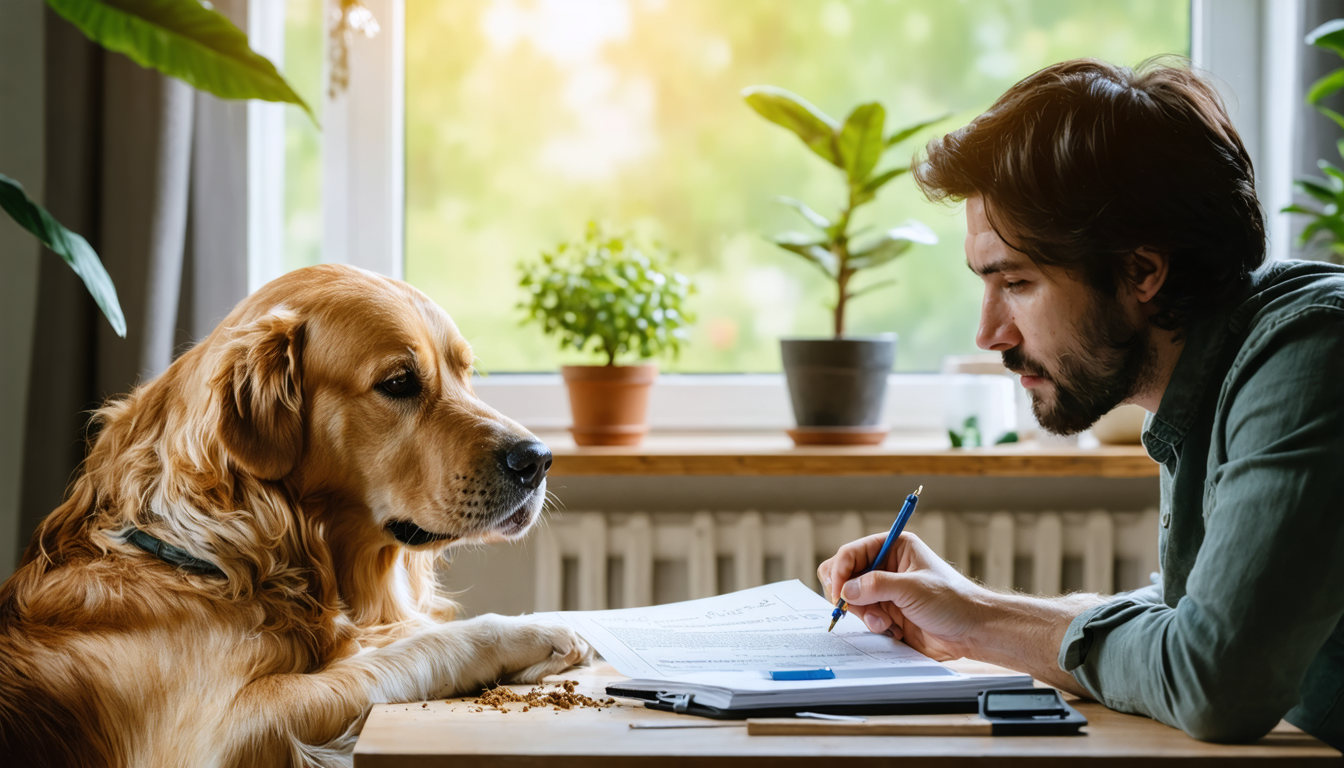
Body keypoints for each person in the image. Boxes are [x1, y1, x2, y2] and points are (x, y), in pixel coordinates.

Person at [819, 57, 1344, 748]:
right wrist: (968, 609)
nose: (989, 334)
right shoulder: (1214, 367)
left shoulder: (1310, 355)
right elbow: (1188, 614)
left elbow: (1213, 681)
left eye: (1019, 283)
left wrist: (980, 625)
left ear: (1142, 271)